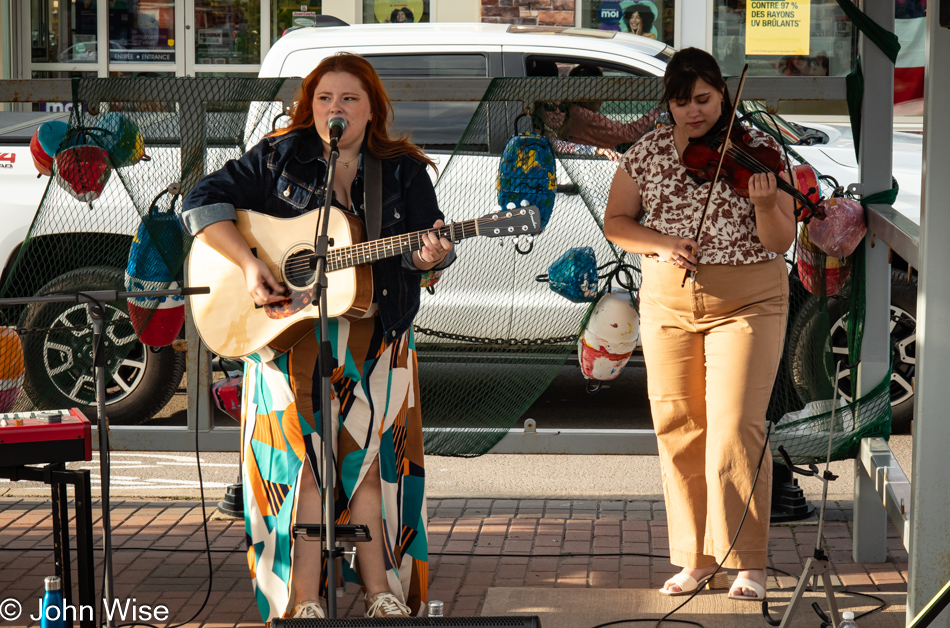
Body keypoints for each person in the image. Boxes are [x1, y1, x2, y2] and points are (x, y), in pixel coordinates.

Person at [180, 52, 455, 621]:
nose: (337, 108)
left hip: (372, 335)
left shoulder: (403, 170)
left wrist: (433, 256)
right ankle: (303, 599)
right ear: (310, 107)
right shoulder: (281, 157)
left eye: (350, 98)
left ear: (372, 108)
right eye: (326, 98)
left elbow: (425, 252)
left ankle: (380, 591)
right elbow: (202, 200)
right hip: (288, 335)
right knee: (307, 460)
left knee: (363, 453)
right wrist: (253, 266)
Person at [603, 47, 796, 602]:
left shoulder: (757, 151)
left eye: (705, 99)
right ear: (669, 103)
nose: (694, 112)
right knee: (679, 426)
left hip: (750, 301)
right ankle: (696, 557)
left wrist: (764, 205)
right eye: (682, 101)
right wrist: (663, 244)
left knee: (735, 426)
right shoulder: (646, 153)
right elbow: (618, 222)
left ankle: (748, 561)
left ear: (724, 96)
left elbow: (781, 240)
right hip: (668, 301)